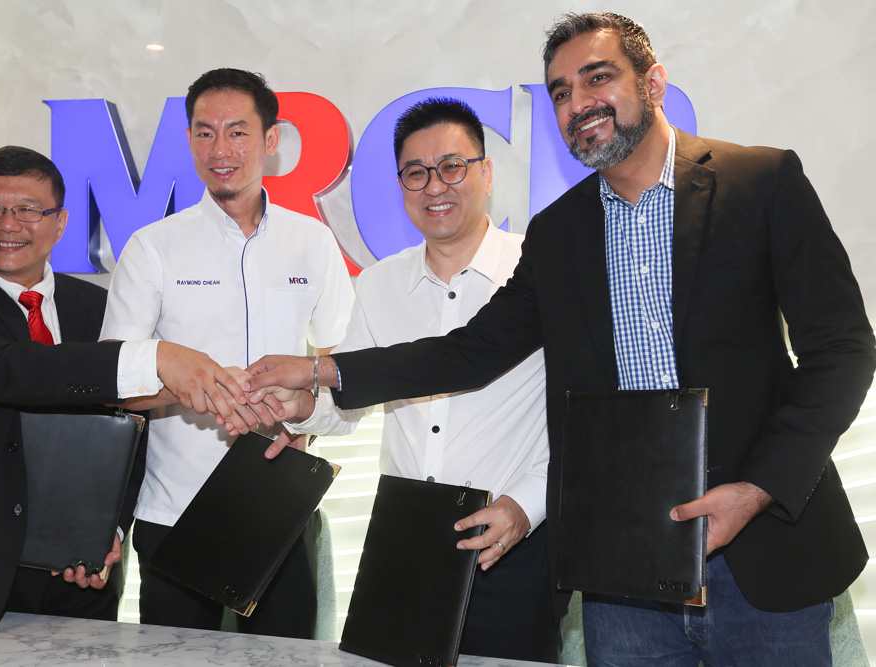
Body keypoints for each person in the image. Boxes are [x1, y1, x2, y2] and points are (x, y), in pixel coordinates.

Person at [248, 12, 876, 665]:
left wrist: (756, 489)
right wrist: (324, 373)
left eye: (596, 78)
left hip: (764, 560)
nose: (577, 103)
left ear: (654, 82)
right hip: (622, 575)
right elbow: (471, 350)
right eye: (559, 92)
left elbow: (843, 351)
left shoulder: (760, 183)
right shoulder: (559, 234)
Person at [0, 146, 248, 635]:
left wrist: (112, 529)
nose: (7, 223)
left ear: (59, 223)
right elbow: (13, 371)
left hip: (87, 573)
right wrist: (155, 358)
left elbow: (134, 433)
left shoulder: (102, 309)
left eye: (27, 209)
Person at [267, 98, 558, 661]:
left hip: (512, 534)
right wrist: (304, 408)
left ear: (487, 172)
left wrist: (528, 505)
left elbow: (575, 419)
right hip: (404, 543)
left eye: (452, 166)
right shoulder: (377, 286)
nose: (435, 186)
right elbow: (345, 403)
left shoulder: (539, 273)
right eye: (416, 173)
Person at [99, 68, 353, 638]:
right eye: (205, 132)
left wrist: (305, 416)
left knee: (285, 658)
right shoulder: (152, 248)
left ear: (270, 141)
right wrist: (196, 388)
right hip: (173, 512)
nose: (221, 150)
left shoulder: (311, 242)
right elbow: (113, 381)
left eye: (238, 132)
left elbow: (348, 368)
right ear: (189, 140)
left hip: (279, 508)